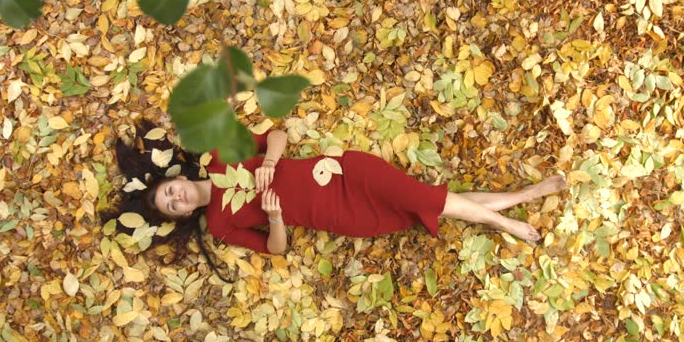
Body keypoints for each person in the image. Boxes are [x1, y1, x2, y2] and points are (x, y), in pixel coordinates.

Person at [102, 120, 566, 279]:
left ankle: (506, 224)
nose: (178, 199)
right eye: (173, 207)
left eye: (170, 192)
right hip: (340, 215)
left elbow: (278, 135)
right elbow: (276, 250)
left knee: (430, 199)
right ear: (180, 216)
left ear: (174, 178)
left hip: (344, 175)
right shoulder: (221, 227)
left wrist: (267, 161)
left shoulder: (222, 156)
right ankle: (527, 194)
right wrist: (276, 219)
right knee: (435, 201)